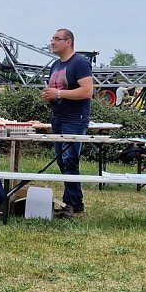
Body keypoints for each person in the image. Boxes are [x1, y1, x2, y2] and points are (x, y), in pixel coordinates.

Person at [41, 29, 94, 217]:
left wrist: (59, 94)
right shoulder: (55, 65)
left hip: (75, 119)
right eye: (52, 38)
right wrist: (49, 95)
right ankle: (76, 202)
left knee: (69, 159)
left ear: (68, 42)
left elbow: (87, 92)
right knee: (63, 163)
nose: (52, 42)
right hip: (58, 117)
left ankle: (70, 204)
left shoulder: (80, 63)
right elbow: (55, 90)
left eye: (57, 39)